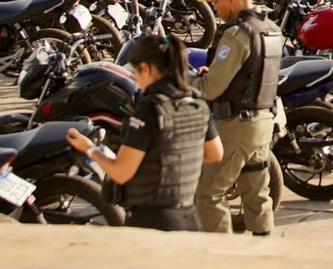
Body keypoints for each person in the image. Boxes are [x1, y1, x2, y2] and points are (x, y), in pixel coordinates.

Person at [66, 34, 224, 231]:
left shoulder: (149, 110)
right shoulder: (196, 102)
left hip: (152, 221)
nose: (137, 81)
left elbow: (121, 173)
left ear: (146, 69)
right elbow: (215, 153)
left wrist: (89, 149)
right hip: (189, 216)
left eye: (136, 73)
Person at [191, 0, 282, 236]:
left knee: (209, 194)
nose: (215, 8)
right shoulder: (271, 29)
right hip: (264, 120)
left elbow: (210, 88)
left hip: (235, 126)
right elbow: (252, 73)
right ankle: (264, 250)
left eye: (216, 0)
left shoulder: (237, 34)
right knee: (256, 194)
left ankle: (223, 257)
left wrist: (184, 82)